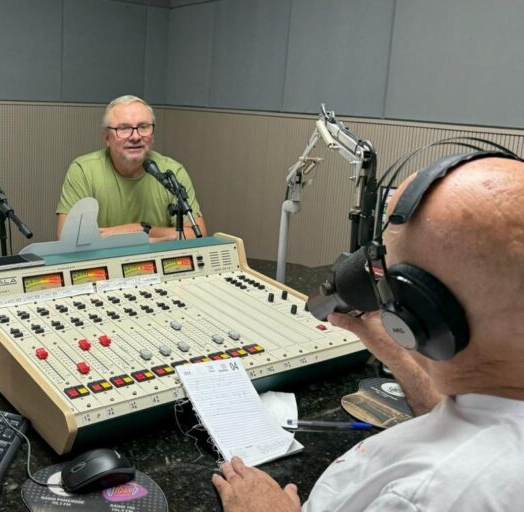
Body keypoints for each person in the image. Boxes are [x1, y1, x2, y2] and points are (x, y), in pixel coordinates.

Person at [213, 155, 524, 511]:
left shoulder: (423, 497)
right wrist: (399, 353)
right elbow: (471, 424)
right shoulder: (496, 397)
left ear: (421, 314)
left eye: (386, 268)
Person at [56, 95, 207, 242]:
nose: (135, 137)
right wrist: (157, 238)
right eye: (124, 128)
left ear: (153, 135)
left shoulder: (171, 172)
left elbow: (198, 236)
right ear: (107, 137)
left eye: (143, 127)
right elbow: (67, 240)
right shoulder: (83, 171)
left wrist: (142, 230)